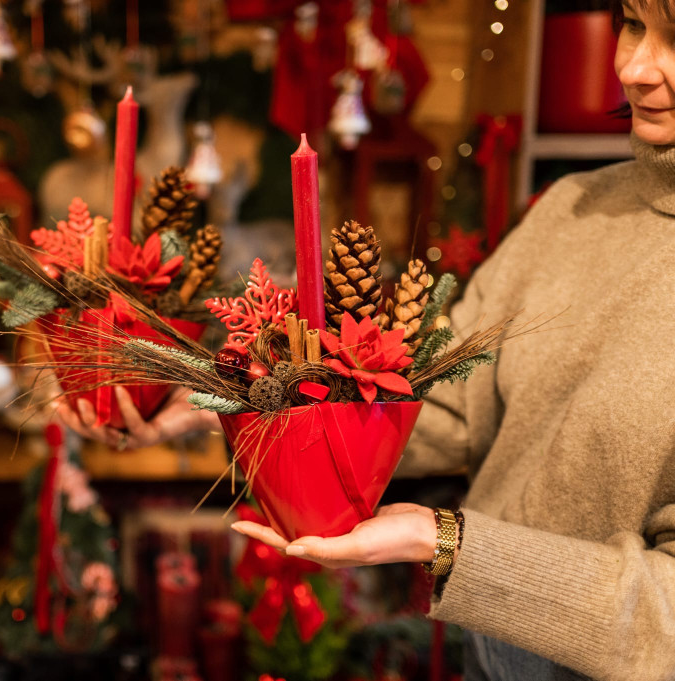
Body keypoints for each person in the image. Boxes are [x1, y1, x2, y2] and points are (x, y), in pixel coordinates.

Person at [58, 1, 675, 678]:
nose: (635, 67)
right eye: (633, 23)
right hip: (490, 650)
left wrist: (446, 543)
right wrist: (226, 410)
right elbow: (442, 407)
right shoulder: (572, 210)